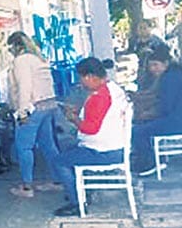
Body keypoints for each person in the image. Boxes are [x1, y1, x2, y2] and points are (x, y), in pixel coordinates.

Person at [50, 58, 130, 216]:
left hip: (103, 151)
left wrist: (73, 118)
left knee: (59, 161)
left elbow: (89, 129)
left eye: (81, 77)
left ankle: (77, 202)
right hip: (116, 146)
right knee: (69, 149)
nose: (81, 82)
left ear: (90, 76)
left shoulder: (99, 97)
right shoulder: (114, 89)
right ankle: (80, 190)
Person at [5, 31, 61, 198]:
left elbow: (25, 86)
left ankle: (27, 186)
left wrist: (22, 111)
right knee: (48, 145)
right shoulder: (38, 58)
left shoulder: (21, 61)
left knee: (24, 146)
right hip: (48, 105)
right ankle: (58, 179)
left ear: (15, 46)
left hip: (33, 107)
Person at [131, 46, 182, 176]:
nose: (152, 69)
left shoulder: (171, 78)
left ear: (166, 64)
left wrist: (147, 115)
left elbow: (165, 107)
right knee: (142, 126)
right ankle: (154, 159)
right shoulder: (175, 73)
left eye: (156, 65)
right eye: (151, 66)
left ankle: (148, 164)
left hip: (180, 122)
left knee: (138, 131)